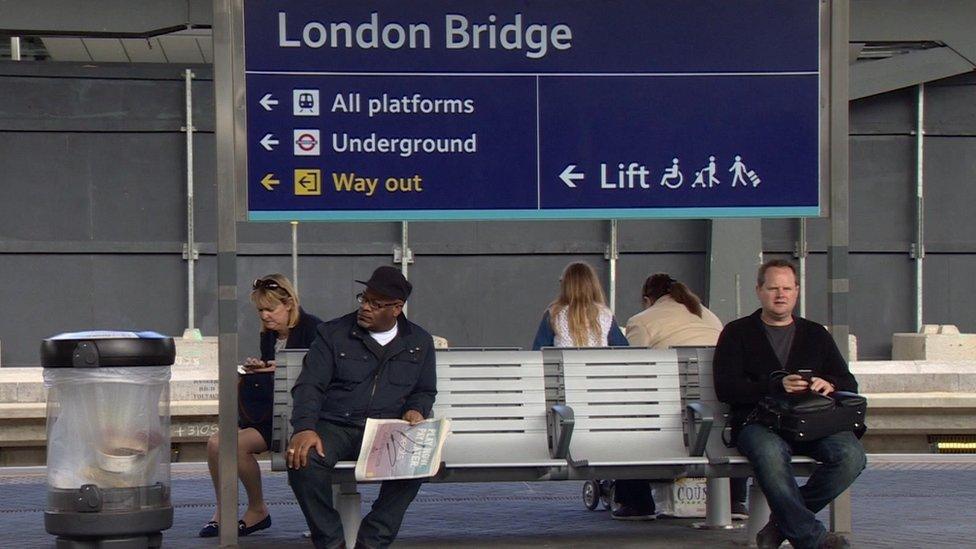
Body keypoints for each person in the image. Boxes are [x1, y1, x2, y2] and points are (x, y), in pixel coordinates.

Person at [713, 259, 865, 549]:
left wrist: (829, 383)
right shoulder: (736, 333)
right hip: (758, 422)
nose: (780, 295)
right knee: (770, 454)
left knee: (851, 456)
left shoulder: (815, 334)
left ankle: (780, 526)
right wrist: (774, 385)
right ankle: (814, 540)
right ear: (759, 290)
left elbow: (848, 382)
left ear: (796, 291)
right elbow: (726, 388)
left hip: (813, 423)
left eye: (786, 288)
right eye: (773, 288)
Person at [287, 266, 436, 549]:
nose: (365, 308)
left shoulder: (419, 342)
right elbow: (309, 386)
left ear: (396, 308)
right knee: (303, 461)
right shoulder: (332, 334)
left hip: (387, 429)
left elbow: (425, 390)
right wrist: (305, 428)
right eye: (363, 299)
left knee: (419, 463)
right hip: (336, 425)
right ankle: (332, 542)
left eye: (375, 303)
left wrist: (416, 409)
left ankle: (373, 540)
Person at [619, 273, 752, 518]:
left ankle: (637, 503)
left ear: (648, 299)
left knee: (628, 417)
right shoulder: (709, 316)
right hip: (718, 413)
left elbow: (633, 373)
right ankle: (734, 501)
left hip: (669, 417)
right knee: (729, 420)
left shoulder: (641, 320)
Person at [200, 274, 323, 538]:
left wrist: (273, 367)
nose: (265, 316)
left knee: (227, 445)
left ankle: (257, 509)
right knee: (215, 444)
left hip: (299, 418)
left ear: (289, 304)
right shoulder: (269, 336)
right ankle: (224, 511)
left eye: (270, 309)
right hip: (273, 413)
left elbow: (316, 371)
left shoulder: (314, 329)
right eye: (260, 310)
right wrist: (261, 369)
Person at [531, 261, 628, 350]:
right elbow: (623, 349)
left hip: (564, 367)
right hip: (598, 368)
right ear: (593, 285)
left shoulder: (555, 314)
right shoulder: (604, 314)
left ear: (565, 285)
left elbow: (539, 351)